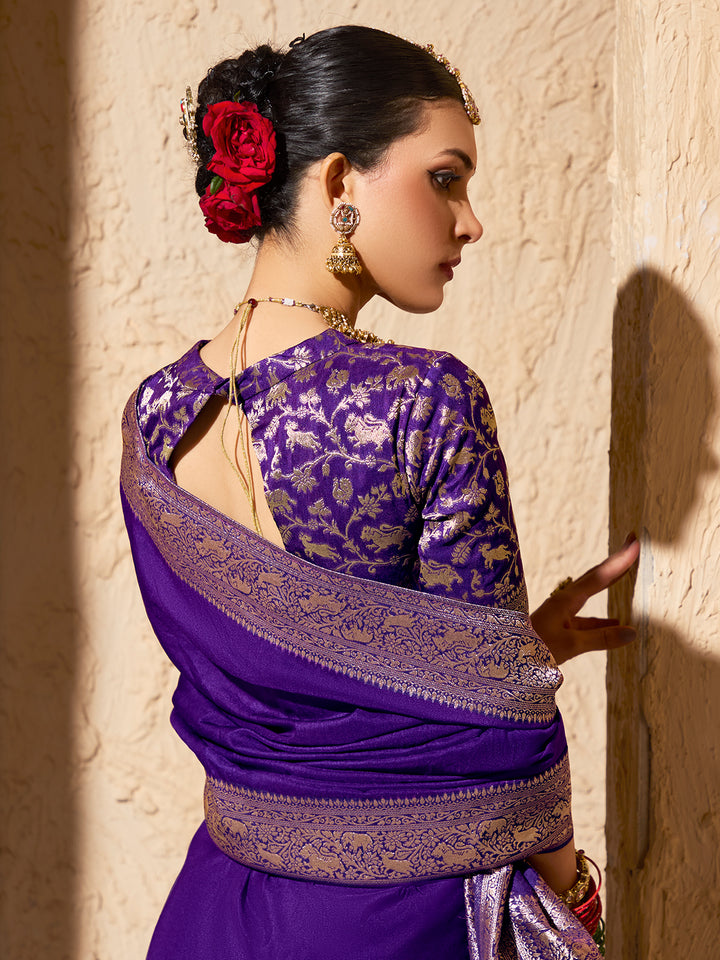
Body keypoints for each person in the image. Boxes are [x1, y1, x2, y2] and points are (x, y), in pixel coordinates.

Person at [120, 25, 639, 959]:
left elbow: (307, 684)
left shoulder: (154, 416)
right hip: (398, 923)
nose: (470, 221)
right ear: (338, 185)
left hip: (217, 910)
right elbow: (504, 716)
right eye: (445, 178)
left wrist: (516, 647)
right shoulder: (424, 399)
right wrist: (575, 895)